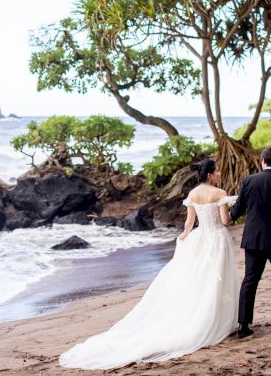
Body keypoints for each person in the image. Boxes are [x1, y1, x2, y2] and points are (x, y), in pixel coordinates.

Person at [59, 158, 238, 371]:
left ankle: (206, 316)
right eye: (217, 171)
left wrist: (184, 237)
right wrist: (233, 209)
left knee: (199, 279)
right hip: (216, 238)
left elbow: (189, 224)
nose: (219, 173)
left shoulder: (192, 194)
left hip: (200, 238)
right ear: (210, 174)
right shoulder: (219, 193)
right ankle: (216, 320)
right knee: (215, 278)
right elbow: (226, 221)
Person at [231, 146, 271, 339]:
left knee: (250, 281)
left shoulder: (249, 180)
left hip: (254, 238)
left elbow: (238, 210)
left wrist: (224, 215)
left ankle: (243, 326)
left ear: (263, 161)